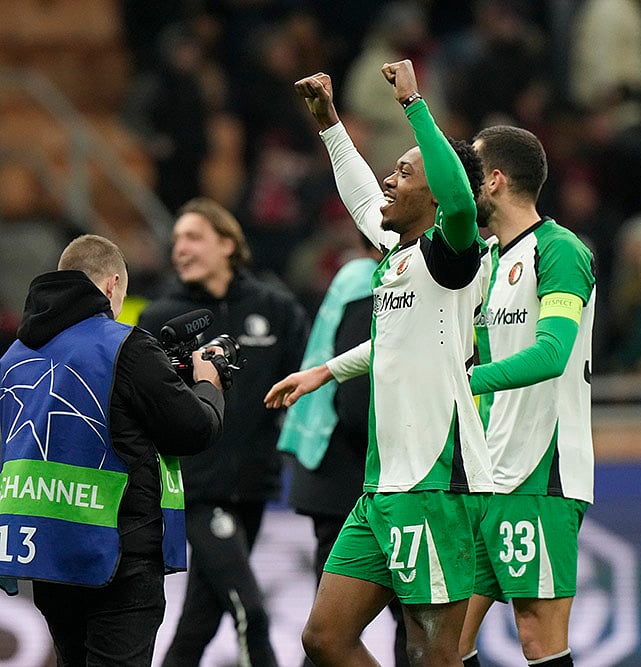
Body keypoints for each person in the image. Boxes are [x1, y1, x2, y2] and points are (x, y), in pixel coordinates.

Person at [266, 60, 492, 665]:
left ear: (440, 196)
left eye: (404, 171)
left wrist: (415, 103)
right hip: (380, 484)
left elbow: (459, 202)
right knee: (324, 638)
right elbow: (361, 192)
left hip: (437, 479)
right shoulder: (396, 256)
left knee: (430, 649)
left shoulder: (455, 258)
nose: (388, 181)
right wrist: (329, 125)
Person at [0, 234, 225, 665]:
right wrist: (208, 385)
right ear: (111, 285)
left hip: (47, 558)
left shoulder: (13, 355)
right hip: (118, 555)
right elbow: (194, 430)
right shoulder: (123, 344)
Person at [138, 198, 309, 667]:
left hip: (255, 487)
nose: (180, 249)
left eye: (193, 237)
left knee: (198, 623)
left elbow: (306, 384)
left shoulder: (277, 310)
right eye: (176, 241)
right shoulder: (159, 321)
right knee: (250, 611)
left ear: (228, 244)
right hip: (195, 490)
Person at [455, 125, 596, 667]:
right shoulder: (486, 261)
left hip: (543, 470)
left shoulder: (559, 251)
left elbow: (551, 354)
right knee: (447, 641)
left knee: (536, 637)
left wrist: (466, 382)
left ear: (493, 180)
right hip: (490, 470)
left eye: (470, 173)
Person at [277, 239, 410, 667]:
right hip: (350, 478)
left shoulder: (353, 276)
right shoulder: (371, 285)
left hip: (329, 470)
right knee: (401, 625)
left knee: (330, 632)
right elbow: (357, 402)